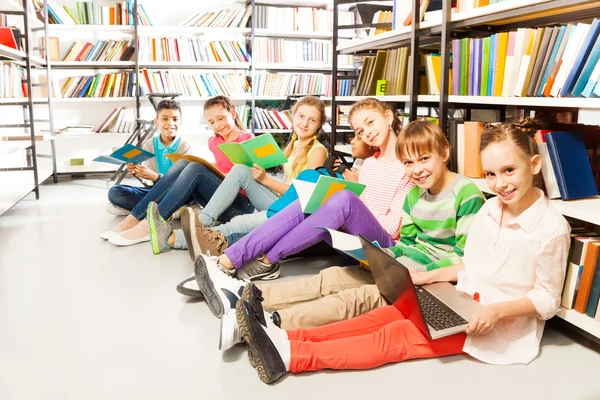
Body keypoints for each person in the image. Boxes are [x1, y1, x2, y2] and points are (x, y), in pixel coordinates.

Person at [236, 118, 571, 384]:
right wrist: (427, 276)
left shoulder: (551, 228)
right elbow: (471, 264)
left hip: (497, 328)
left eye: (509, 171)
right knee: (377, 318)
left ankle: (292, 356)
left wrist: (496, 313)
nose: (500, 184)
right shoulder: (490, 209)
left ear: (536, 164)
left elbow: (547, 300)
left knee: (391, 339)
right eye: (491, 175)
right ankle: (285, 337)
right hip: (461, 301)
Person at [216, 120, 486, 351]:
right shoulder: (414, 193)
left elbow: (466, 261)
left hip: (433, 279)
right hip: (404, 266)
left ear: (445, 152)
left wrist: (420, 272)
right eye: (409, 163)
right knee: (331, 277)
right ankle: (245, 296)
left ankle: (265, 321)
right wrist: (385, 257)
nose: (417, 170)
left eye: (424, 159)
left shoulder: (466, 193)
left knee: (353, 299)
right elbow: (408, 242)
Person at [192, 98, 414, 319]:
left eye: (370, 123)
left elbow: (394, 228)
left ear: (388, 116)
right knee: (310, 199)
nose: (367, 133)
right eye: (360, 129)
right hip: (354, 239)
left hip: (384, 249)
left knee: (343, 198)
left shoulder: (408, 164)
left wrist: (355, 204)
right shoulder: (370, 164)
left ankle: (266, 260)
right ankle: (228, 262)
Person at [150, 96, 329, 258]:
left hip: (293, 209)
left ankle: (173, 239)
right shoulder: (294, 144)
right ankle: (203, 221)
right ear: (293, 116)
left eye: (312, 120)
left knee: (238, 224)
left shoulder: (317, 151)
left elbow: (303, 196)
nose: (304, 123)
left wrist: (265, 180)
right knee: (240, 169)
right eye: (301, 116)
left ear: (320, 124)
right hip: (281, 200)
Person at [100, 95, 254, 247]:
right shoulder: (214, 142)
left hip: (240, 207)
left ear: (233, 113)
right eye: (212, 122)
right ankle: (134, 218)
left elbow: (250, 180)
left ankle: (149, 224)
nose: (217, 125)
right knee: (184, 163)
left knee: (194, 168)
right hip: (215, 205)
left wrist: (213, 171)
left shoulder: (247, 139)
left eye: (220, 118)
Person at [105, 99, 194, 216]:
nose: (171, 123)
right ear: (156, 122)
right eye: (165, 119)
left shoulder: (185, 145)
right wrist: (139, 173)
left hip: (178, 192)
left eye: (175, 119)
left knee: (192, 198)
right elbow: (150, 185)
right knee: (115, 192)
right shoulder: (149, 144)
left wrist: (156, 177)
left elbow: (184, 183)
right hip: (156, 192)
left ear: (181, 122)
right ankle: (167, 211)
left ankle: (143, 211)